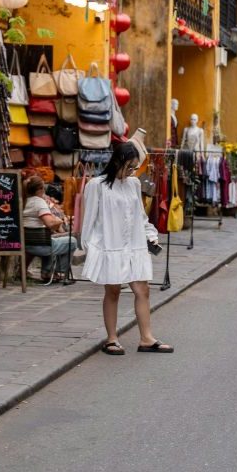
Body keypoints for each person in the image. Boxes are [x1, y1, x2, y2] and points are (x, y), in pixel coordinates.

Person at [81, 142, 173, 355]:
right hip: (110, 245)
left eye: (134, 168)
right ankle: (112, 339)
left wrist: (151, 235)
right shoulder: (97, 185)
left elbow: (140, 215)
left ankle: (147, 338)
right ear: (118, 161)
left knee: (143, 289)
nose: (131, 172)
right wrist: (90, 247)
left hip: (134, 245)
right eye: (129, 167)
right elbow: (89, 220)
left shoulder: (133, 184)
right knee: (113, 290)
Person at [22, 175, 76, 284]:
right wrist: (60, 220)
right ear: (40, 189)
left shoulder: (23, 201)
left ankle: (47, 271)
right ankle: (58, 273)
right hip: (40, 246)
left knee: (53, 240)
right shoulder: (39, 203)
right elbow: (50, 223)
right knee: (72, 241)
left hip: (26, 244)